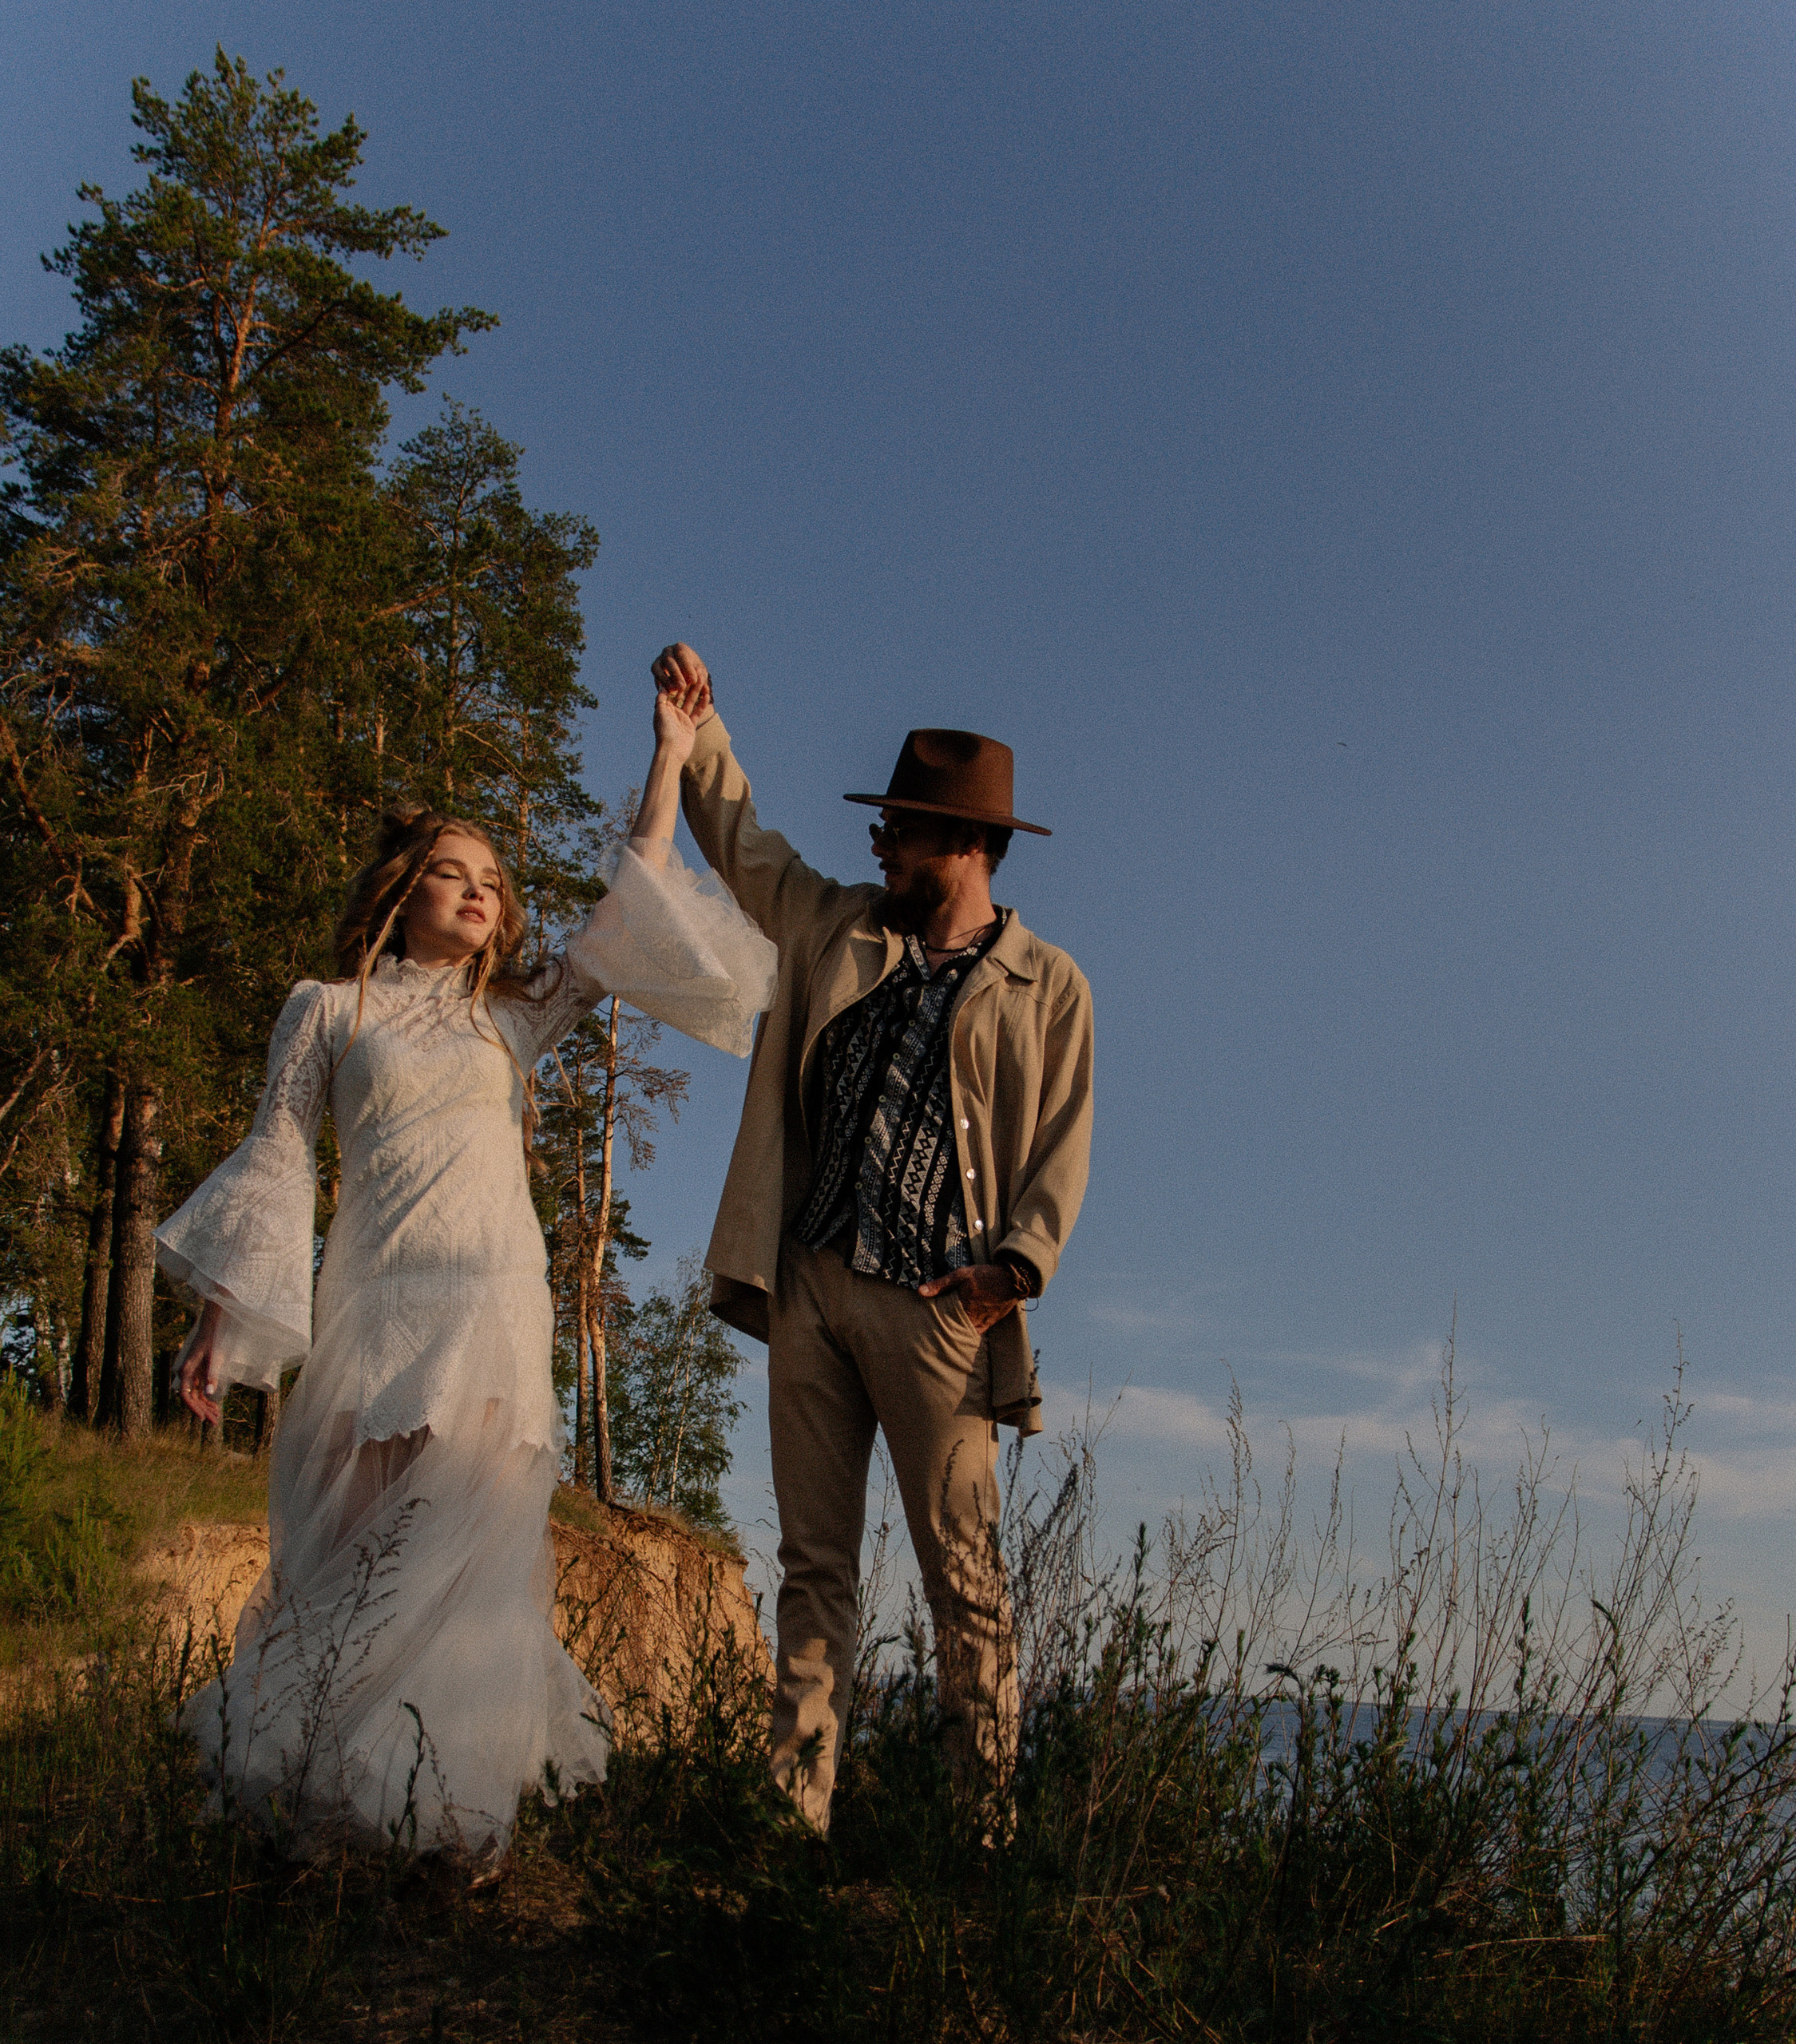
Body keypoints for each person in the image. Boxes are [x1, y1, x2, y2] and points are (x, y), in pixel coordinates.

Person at [153, 672, 775, 1857]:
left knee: (472, 1568)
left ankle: (449, 1820)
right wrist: (220, 1320)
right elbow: (277, 1160)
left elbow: (627, 900)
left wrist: (670, 751)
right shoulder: (325, 1012)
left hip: (493, 1305)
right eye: (457, 873)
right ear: (402, 888)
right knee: (363, 1555)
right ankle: (329, 1803)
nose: (483, 893)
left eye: (496, 881)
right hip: (380, 1310)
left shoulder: (514, 1018)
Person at [649, 641, 1094, 1832]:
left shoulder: (1046, 983)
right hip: (811, 1286)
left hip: (942, 1310)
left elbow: (1063, 1138)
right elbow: (742, 842)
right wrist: (702, 729)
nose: (880, 845)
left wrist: (1015, 1268)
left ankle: (979, 1836)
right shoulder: (836, 926)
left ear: (965, 844)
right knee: (814, 1572)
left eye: (898, 828)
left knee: (965, 1583)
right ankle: (795, 1822)